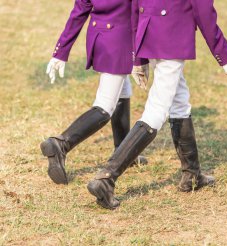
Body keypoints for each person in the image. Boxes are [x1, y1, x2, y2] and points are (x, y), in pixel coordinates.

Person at [87, 0, 227, 209]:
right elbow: (203, 10)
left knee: (179, 100)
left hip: (148, 31)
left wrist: (138, 57)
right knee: (157, 109)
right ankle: (107, 178)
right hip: (173, 34)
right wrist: (225, 55)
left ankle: (192, 173)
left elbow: (134, 6)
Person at [40, 0, 148, 185]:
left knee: (122, 90)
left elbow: (79, 11)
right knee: (105, 105)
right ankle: (61, 144)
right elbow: (136, 15)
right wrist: (139, 58)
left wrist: (60, 51)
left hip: (99, 39)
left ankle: (122, 153)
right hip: (119, 42)